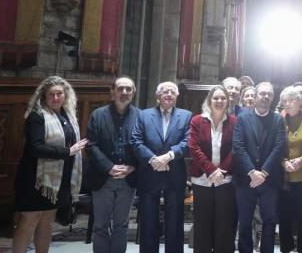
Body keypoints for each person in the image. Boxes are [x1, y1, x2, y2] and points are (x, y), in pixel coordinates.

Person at [12, 76, 88, 253]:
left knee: (47, 222)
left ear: (65, 94)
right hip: (35, 179)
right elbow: (36, 148)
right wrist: (68, 151)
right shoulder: (37, 116)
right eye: (51, 94)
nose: (55, 98)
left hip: (57, 179)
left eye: (59, 93)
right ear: (43, 96)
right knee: (28, 222)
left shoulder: (67, 115)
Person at [132, 81, 191, 253]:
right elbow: (135, 141)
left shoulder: (186, 115)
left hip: (175, 174)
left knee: (175, 221)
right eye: (165, 92)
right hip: (150, 173)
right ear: (157, 96)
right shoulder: (144, 115)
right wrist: (153, 160)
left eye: (173, 92)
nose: (169, 95)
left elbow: (188, 141)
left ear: (177, 96)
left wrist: (168, 156)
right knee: (148, 220)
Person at [86, 76, 139, 253]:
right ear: (112, 92)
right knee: (100, 226)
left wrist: (133, 167)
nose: (124, 92)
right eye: (120, 88)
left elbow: (144, 145)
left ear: (133, 92)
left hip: (128, 179)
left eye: (128, 89)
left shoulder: (141, 116)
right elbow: (91, 145)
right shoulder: (98, 114)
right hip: (103, 177)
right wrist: (109, 167)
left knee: (121, 225)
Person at [233, 82, 287, 253]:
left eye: (269, 94)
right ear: (255, 96)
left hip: (269, 178)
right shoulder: (242, 118)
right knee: (245, 220)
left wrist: (263, 172)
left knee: (269, 220)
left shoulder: (278, 119)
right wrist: (251, 171)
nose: (265, 97)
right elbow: (238, 146)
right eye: (262, 93)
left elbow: (279, 147)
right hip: (245, 178)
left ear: (273, 97)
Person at [189, 85, 237, 253]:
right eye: (215, 98)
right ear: (209, 100)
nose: (219, 101)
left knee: (224, 223)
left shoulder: (234, 121)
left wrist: (221, 170)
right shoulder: (197, 121)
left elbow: (235, 148)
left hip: (225, 180)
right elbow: (193, 147)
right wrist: (211, 170)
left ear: (227, 101)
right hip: (202, 179)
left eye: (223, 98)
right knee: (202, 223)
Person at [280, 86, 302, 253]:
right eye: (285, 101)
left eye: (291, 100)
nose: (288, 104)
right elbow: (273, 146)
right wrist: (283, 161)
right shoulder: (278, 119)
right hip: (284, 178)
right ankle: (286, 249)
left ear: (299, 101)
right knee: (285, 218)